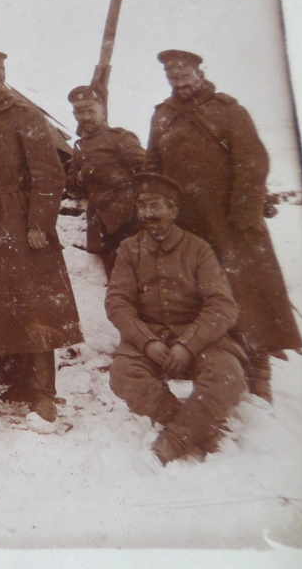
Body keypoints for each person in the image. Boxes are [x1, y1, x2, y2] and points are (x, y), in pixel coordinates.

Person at [146, 49, 302, 402]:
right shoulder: (163, 116)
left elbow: (253, 162)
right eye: (171, 72)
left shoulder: (228, 110)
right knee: (197, 294)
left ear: (199, 70)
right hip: (184, 223)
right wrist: (157, 211)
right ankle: (211, 366)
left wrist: (244, 215)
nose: (177, 76)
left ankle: (259, 373)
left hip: (230, 222)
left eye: (183, 69)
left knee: (248, 292)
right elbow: (152, 163)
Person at [0, 50, 82, 422]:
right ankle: (21, 383)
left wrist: (38, 225)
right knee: (2, 304)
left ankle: (44, 392)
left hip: (17, 222)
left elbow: (49, 176)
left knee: (35, 304)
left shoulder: (25, 117)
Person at [107, 173, 247, 464]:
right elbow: (117, 302)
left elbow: (222, 305)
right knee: (122, 375)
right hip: (151, 337)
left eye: (155, 206)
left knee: (228, 374)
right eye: (142, 206)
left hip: (199, 338)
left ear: (173, 210)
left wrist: (188, 344)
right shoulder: (129, 250)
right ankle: (197, 427)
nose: (147, 214)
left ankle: (175, 440)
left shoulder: (199, 249)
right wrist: (146, 342)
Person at [65, 85, 145, 277]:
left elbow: (146, 173)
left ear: (103, 110)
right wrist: (79, 178)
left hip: (129, 222)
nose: (84, 117)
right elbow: (72, 189)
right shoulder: (79, 147)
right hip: (100, 225)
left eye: (90, 110)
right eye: (78, 112)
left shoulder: (120, 138)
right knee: (116, 281)